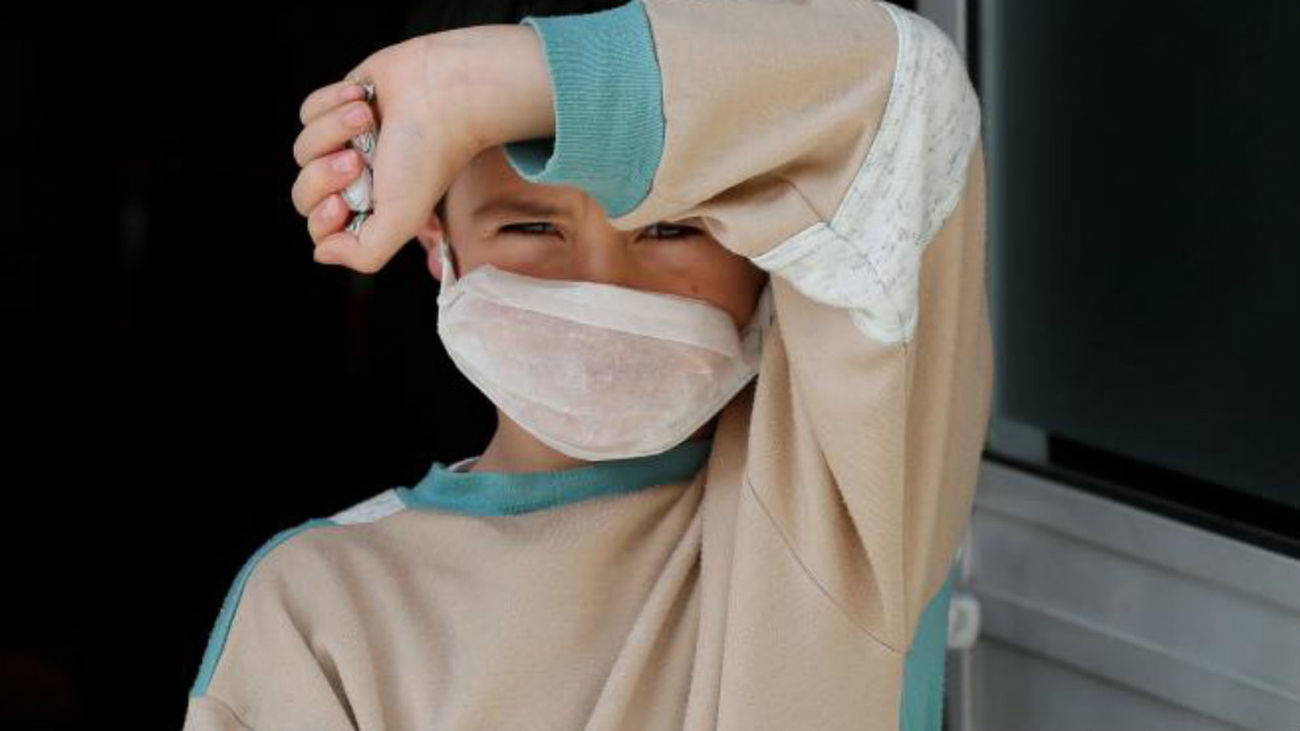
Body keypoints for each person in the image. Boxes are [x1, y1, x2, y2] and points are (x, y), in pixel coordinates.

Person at [184, 0, 991, 728]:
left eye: (673, 230)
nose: (604, 287)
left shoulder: (840, 499)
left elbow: (910, 99)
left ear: (758, 240)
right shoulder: (322, 608)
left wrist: (479, 84)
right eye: (532, 229)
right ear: (435, 237)